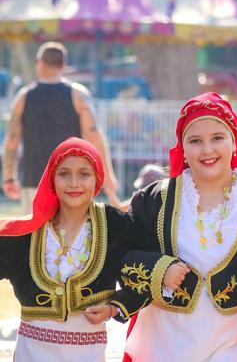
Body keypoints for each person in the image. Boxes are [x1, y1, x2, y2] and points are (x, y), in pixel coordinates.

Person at [115, 92, 237, 362]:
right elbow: (121, 253)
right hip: (165, 338)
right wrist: (158, 270)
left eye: (217, 138)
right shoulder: (154, 201)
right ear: (183, 149)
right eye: (195, 141)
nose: (207, 149)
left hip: (236, 340)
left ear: (234, 143)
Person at [0, 137, 147, 361]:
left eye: (84, 174)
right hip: (32, 354)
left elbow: (148, 273)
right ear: (52, 179)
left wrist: (113, 308)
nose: (74, 183)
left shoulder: (116, 225)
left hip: (87, 354)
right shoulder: (24, 235)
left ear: (98, 178)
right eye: (64, 174)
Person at [2, 41, 120, 213]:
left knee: (37, 237)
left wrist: (9, 178)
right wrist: (108, 178)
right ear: (64, 65)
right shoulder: (78, 95)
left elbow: (12, 140)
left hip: (35, 181)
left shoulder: (23, 97)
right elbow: (94, 136)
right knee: (75, 237)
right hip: (74, 183)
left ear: (39, 63)